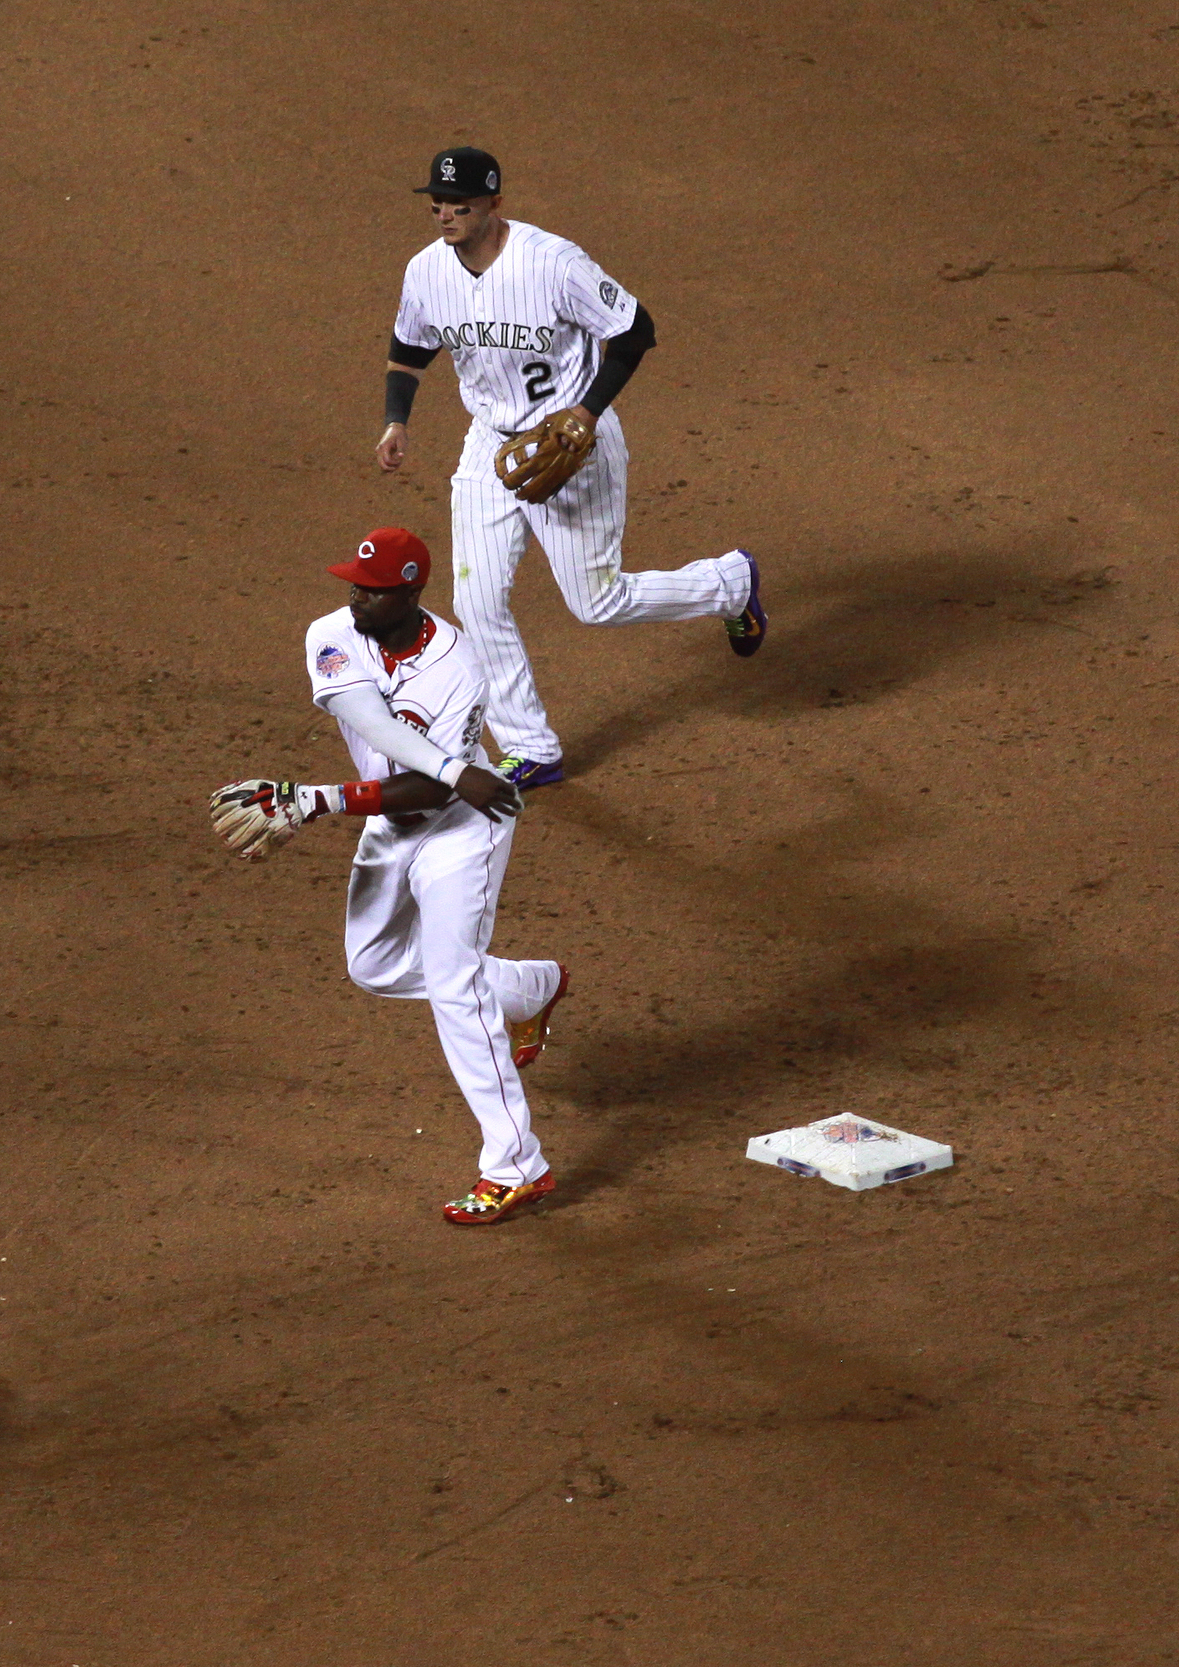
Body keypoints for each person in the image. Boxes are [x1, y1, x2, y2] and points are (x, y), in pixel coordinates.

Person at [375, 145, 767, 790]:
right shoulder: (426, 272)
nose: (446, 213)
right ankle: (530, 746)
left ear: (494, 203)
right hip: (488, 447)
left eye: (461, 203)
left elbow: (635, 329)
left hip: (571, 443)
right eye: (438, 202)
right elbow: (407, 352)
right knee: (475, 602)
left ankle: (729, 583)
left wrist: (586, 411)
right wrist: (398, 421)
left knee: (596, 602)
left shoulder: (552, 263)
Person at [208, 528, 569, 1224]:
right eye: (353, 582)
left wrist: (320, 798)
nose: (356, 596)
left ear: (410, 592)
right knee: (373, 964)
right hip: (393, 815)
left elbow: (435, 792)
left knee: (455, 989)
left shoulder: (457, 667)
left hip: (465, 826)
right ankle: (533, 987)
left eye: (372, 589)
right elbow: (375, 724)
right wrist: (443, 769)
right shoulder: (331, 633)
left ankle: (517, 1164)